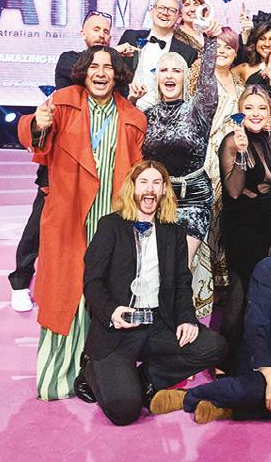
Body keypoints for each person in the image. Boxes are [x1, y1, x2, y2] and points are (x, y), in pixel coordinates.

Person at [17, 45, 144, 400]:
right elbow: (35, 138)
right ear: (84, 71)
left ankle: (92, 373)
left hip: (109, 219)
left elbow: (135, 172)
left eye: (108, 67)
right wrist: (37, 124)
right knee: (64, 294)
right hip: (69, 216)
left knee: (101, 294)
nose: (101, 73)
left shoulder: (133, 117)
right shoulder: (62, 103)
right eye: (94, 66)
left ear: (118, 75)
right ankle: (59, 376)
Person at [79, 161, 227, 426]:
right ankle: (91, 370)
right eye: (144, 182)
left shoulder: (174, 231)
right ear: (133, 188)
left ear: (164, 190)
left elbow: (182, 281)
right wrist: (112, 311)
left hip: (158, 323)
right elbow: (92, 281)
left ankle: (144, 380)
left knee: (213, 346)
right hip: (119, 328)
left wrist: (186, 318)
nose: (150, 189)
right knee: (124, 412)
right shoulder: (110, 226)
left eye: (156, 183)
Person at [148, 213, 271, 424]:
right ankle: (189, 397)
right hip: (267, 359)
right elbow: (255, 326)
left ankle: (228, 407)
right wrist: (270, 373)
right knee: (254, 390)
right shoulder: (267, 270)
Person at [10, 10, 114, 312]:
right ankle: (20, 281)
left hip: (98, 164)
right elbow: (80, 75)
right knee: (39, 223)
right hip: (61, 161)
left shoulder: (114, 69)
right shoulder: (69, 60)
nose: (102, 34)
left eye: (106, 31)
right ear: (83, 33)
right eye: (96, 29)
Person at [140, 23, 223, 317]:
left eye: (176, 70)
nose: (170, 75)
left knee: (177, 268)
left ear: (185, 77)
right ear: (157, 77)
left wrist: (211, 40)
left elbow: (208, 79)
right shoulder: (147, 115)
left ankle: (174, 329)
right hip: (158, 199)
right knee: (152, 268)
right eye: (164, 70)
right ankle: (152, 329)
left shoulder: (198, 109)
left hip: (194, 199)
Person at [217, 86, 271, 372]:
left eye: (261, 108)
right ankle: (226, 361)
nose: (255, 114)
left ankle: (254, 354)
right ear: (240, 112)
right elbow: (233, 190)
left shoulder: (267, 140)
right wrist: (242, 154)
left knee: (262, 290)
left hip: (267, 222)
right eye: (249, 108)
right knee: (240, 289)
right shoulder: (232, 141)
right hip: (241, 225)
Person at [201, 27, 244, 304]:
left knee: (225, 215)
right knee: (206, 214)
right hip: (206, 154)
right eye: (217, 46)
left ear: (236, 52)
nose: (222, 51)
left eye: (228, 47)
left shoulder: (239, 83)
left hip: (230, 154)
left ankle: (221, 281)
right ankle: (202, 282)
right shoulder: (201, 78)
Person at [118, 0, 198, 111]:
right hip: (125, 110)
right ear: (152, 11)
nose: (165, 13)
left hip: (165, 117)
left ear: (179, 17)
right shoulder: (130, 37)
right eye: (161, 7)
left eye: (171, 10)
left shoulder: (188, 53)